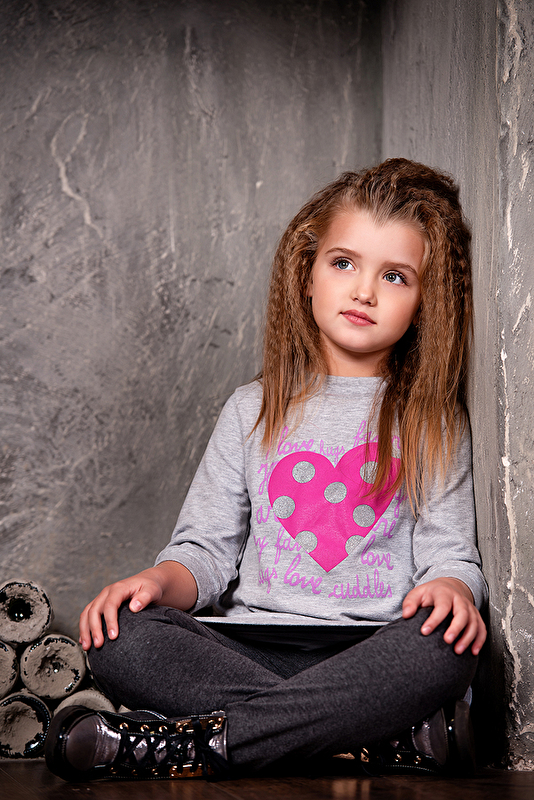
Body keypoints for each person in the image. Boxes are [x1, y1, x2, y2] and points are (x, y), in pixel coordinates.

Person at [45, 158, 487, 783]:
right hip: (249, 648)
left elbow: (452, 557)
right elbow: (205, 552)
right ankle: (370, 739)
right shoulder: (251, 409)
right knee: (119, 636)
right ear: (306, 274)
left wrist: (453, 589)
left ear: (422, 303)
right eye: (343, 263)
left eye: (394, 276)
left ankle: (192, 745)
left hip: (367, 658)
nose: (364, 291)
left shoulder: (432, 420)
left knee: (446, 648)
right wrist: (154, 581)